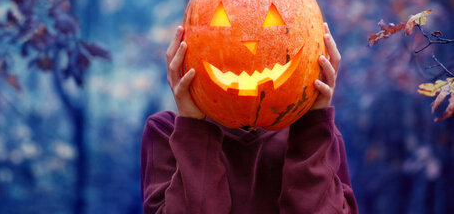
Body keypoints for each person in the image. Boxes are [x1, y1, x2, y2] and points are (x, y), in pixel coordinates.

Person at [140, 23, 358, 214]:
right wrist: (193, 126)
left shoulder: (317, 135)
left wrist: (312, 124)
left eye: (272, 22)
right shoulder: (166, 132)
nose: (250, 44)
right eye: (221, 24)